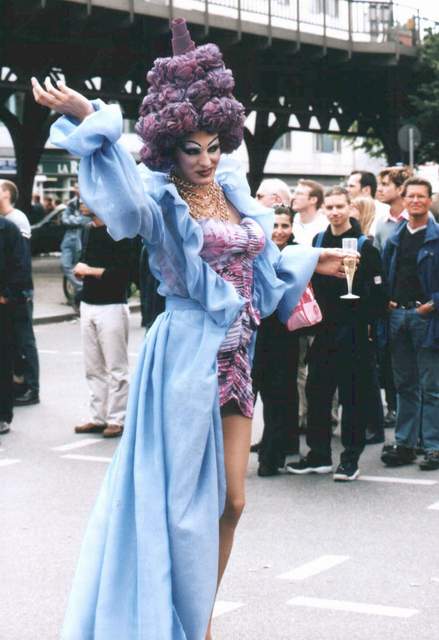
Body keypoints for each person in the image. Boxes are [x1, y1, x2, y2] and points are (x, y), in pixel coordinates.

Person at [32, 18, 351, 640]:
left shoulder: (232, 190)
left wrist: (317, 259)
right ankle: (184, 626)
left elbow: (262, 263)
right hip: (186, 358)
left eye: (213, 146)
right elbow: (123, 199)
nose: (205, 160)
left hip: (238, 357)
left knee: (233, 501)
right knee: (183, 510)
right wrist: (91, 115)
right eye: (191, 149)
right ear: (168, 148)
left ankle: (197, 618)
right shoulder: (159, 201)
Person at [287, 186, 387, 481]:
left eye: (339, 206)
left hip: (355, 334)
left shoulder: (365, 246)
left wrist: (365, 324)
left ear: (350, 208)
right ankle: (319, 455)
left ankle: (350, 459)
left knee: (352, 397)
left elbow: (380, 295)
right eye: (329, 207)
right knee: (317, 393)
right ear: (323, 209)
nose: (334, 212)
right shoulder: (318, 242)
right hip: (325, 332)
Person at [381, 177, 439, 471]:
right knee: (404, 385)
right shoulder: (395, 237)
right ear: (403, 200)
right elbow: (383, 273)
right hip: (398, 317)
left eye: (421, 196)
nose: (415, 200)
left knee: (432, 387)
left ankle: (433, 447)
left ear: (430, 200)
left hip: (426, 318)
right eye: (411, 196)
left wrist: (433, 304)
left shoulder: (436, 237)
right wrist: (386, 300)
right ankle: (405, 444)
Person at [73, 205, 132, 439]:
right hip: (88, 303)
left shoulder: (120, 232)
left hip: (112, 305)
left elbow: (123, 273)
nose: (81, 202)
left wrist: (89, 271)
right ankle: (98, 416)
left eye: (85, 198)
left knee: (116, 367)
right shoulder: (88, 230)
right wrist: (82, 270)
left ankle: (117, 419)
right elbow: (85, 261)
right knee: (93, 366)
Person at [252, 206, 300, 476]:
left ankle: (271, 457)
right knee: (248, 393)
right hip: (254, 331)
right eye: (275, 225)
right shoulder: (254, 251)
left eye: (285, 225)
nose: (280, 231)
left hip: (285, 332)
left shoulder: (298, 253)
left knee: (278, 397)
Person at [290, 178, 328, 431]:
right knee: (297, 364)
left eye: (301, 193)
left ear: (313, 200)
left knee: (320, 364)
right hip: (294, 299)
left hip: (317, 301)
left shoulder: (322, 227)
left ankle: (327, 416)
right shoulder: (291, 224)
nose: (295, 196)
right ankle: (301, 415)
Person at [0, 179, 40, 406]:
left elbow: (20, 261)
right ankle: (19, 384)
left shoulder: (16, 219)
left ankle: (32, 388)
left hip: (19, 291)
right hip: (11, 290)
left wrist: (12, 291)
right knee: (13, 340)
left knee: (24, 340)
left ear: (6, 194)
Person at [0, 216, 29, 437]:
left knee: (2, 362)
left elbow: (21, 266)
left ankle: (2, 416)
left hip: (2, 308)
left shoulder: (8, 230)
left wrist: (6, 295)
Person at [60, 183, 88, 299]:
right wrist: (77, 220)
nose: (76, 189)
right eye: (75, 187)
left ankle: (78, 296)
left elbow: (86, 220)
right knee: (65, 265)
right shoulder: (72, 203)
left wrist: (72, 219)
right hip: (68, 239)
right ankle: (82, 287)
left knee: (78, 267)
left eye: (78, 187)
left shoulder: (89, 201)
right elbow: (64, 219)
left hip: (80, 238)